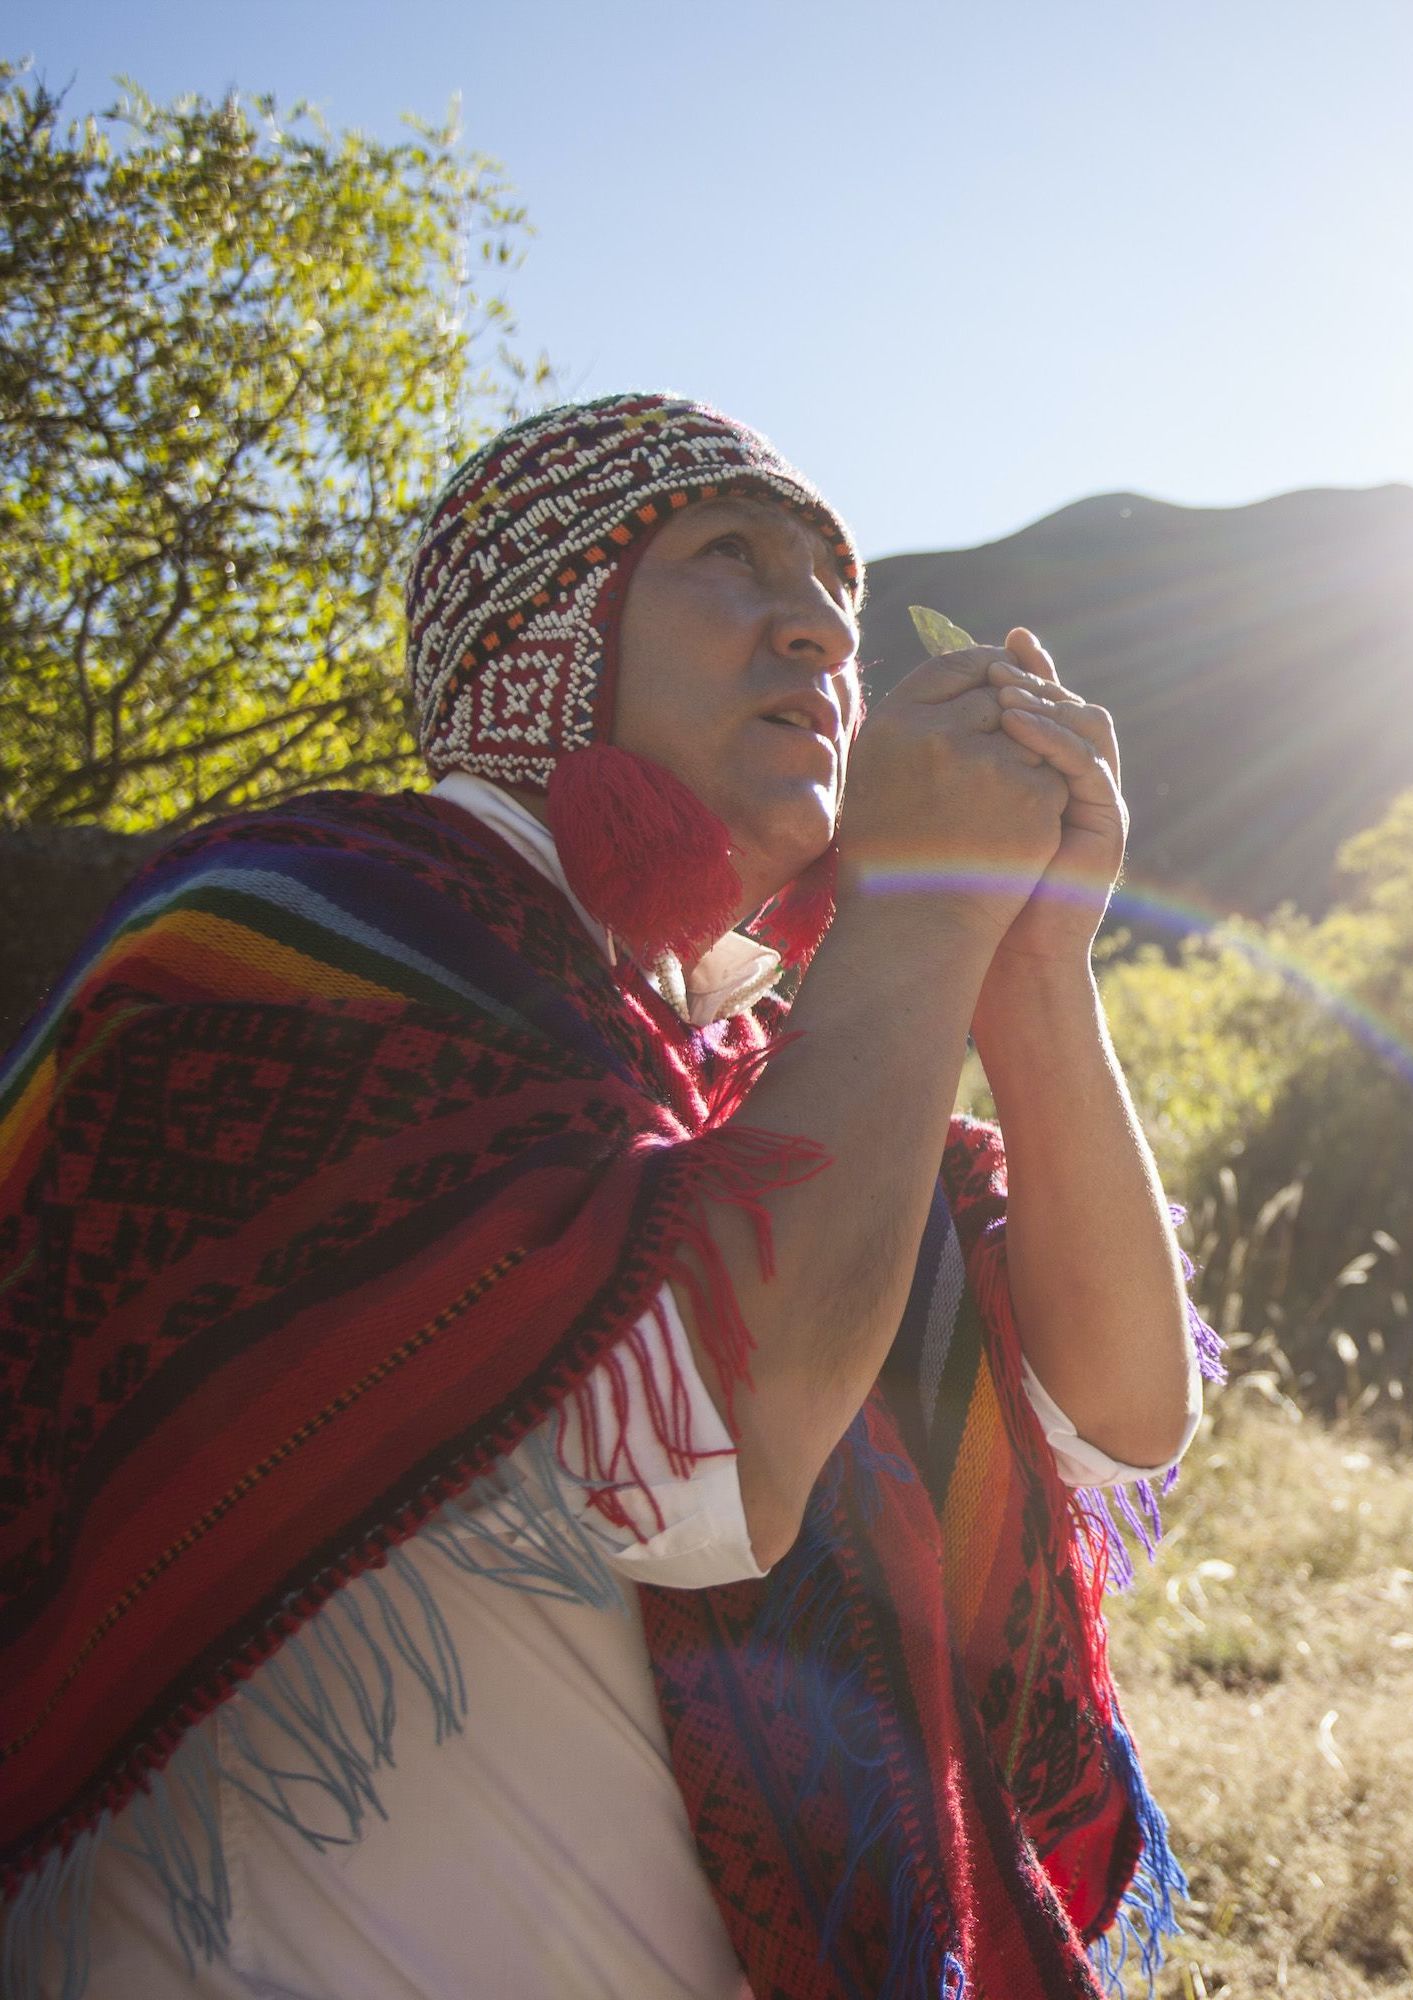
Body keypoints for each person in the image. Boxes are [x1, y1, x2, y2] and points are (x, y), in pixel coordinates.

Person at [0, 393, 1221, 1999]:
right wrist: (917, 932)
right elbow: (707, 1464)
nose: (820, 638)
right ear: (543, 634)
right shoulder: (310, 935)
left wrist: (1034, 962)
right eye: (733, 557)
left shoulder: (739, 1065)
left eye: (841, 607)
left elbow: (1118, 1414)